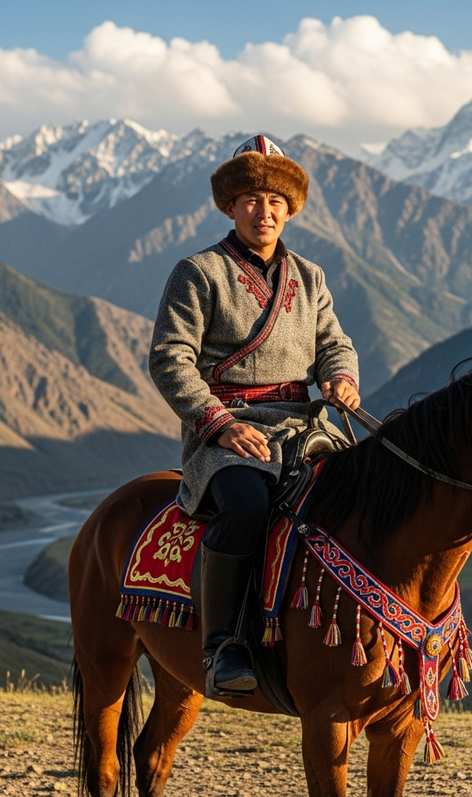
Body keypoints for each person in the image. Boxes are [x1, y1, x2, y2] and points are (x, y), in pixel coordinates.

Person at [149, 135, 360, 699]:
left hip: (303, 423)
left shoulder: (310, 277)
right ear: (229, 206)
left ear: (290, 209)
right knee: (246, 504)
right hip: (225, 429)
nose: (263, 212)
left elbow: (334, 343)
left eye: (274, 201)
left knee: (367, 490)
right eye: (250, 199)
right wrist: (219, 424)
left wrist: (341, 377)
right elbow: (170, 360)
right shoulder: (198, 272)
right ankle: (222, 646)